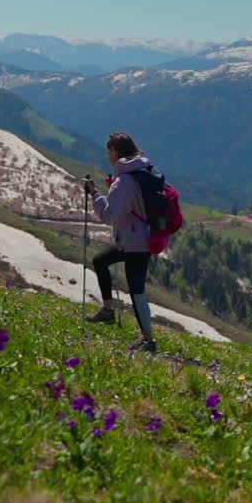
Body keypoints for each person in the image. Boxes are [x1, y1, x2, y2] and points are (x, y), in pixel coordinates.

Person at [82, 131, 157, 353]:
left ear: (116, 152)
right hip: (137, 239)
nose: (108, 156)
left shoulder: (123, 180)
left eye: (109, 151)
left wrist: (94, 193)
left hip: (134, 243)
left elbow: (109, 214)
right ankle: (107, 310)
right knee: (101, 260)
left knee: (137, 291)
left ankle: (149, 341)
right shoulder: (141, 171)